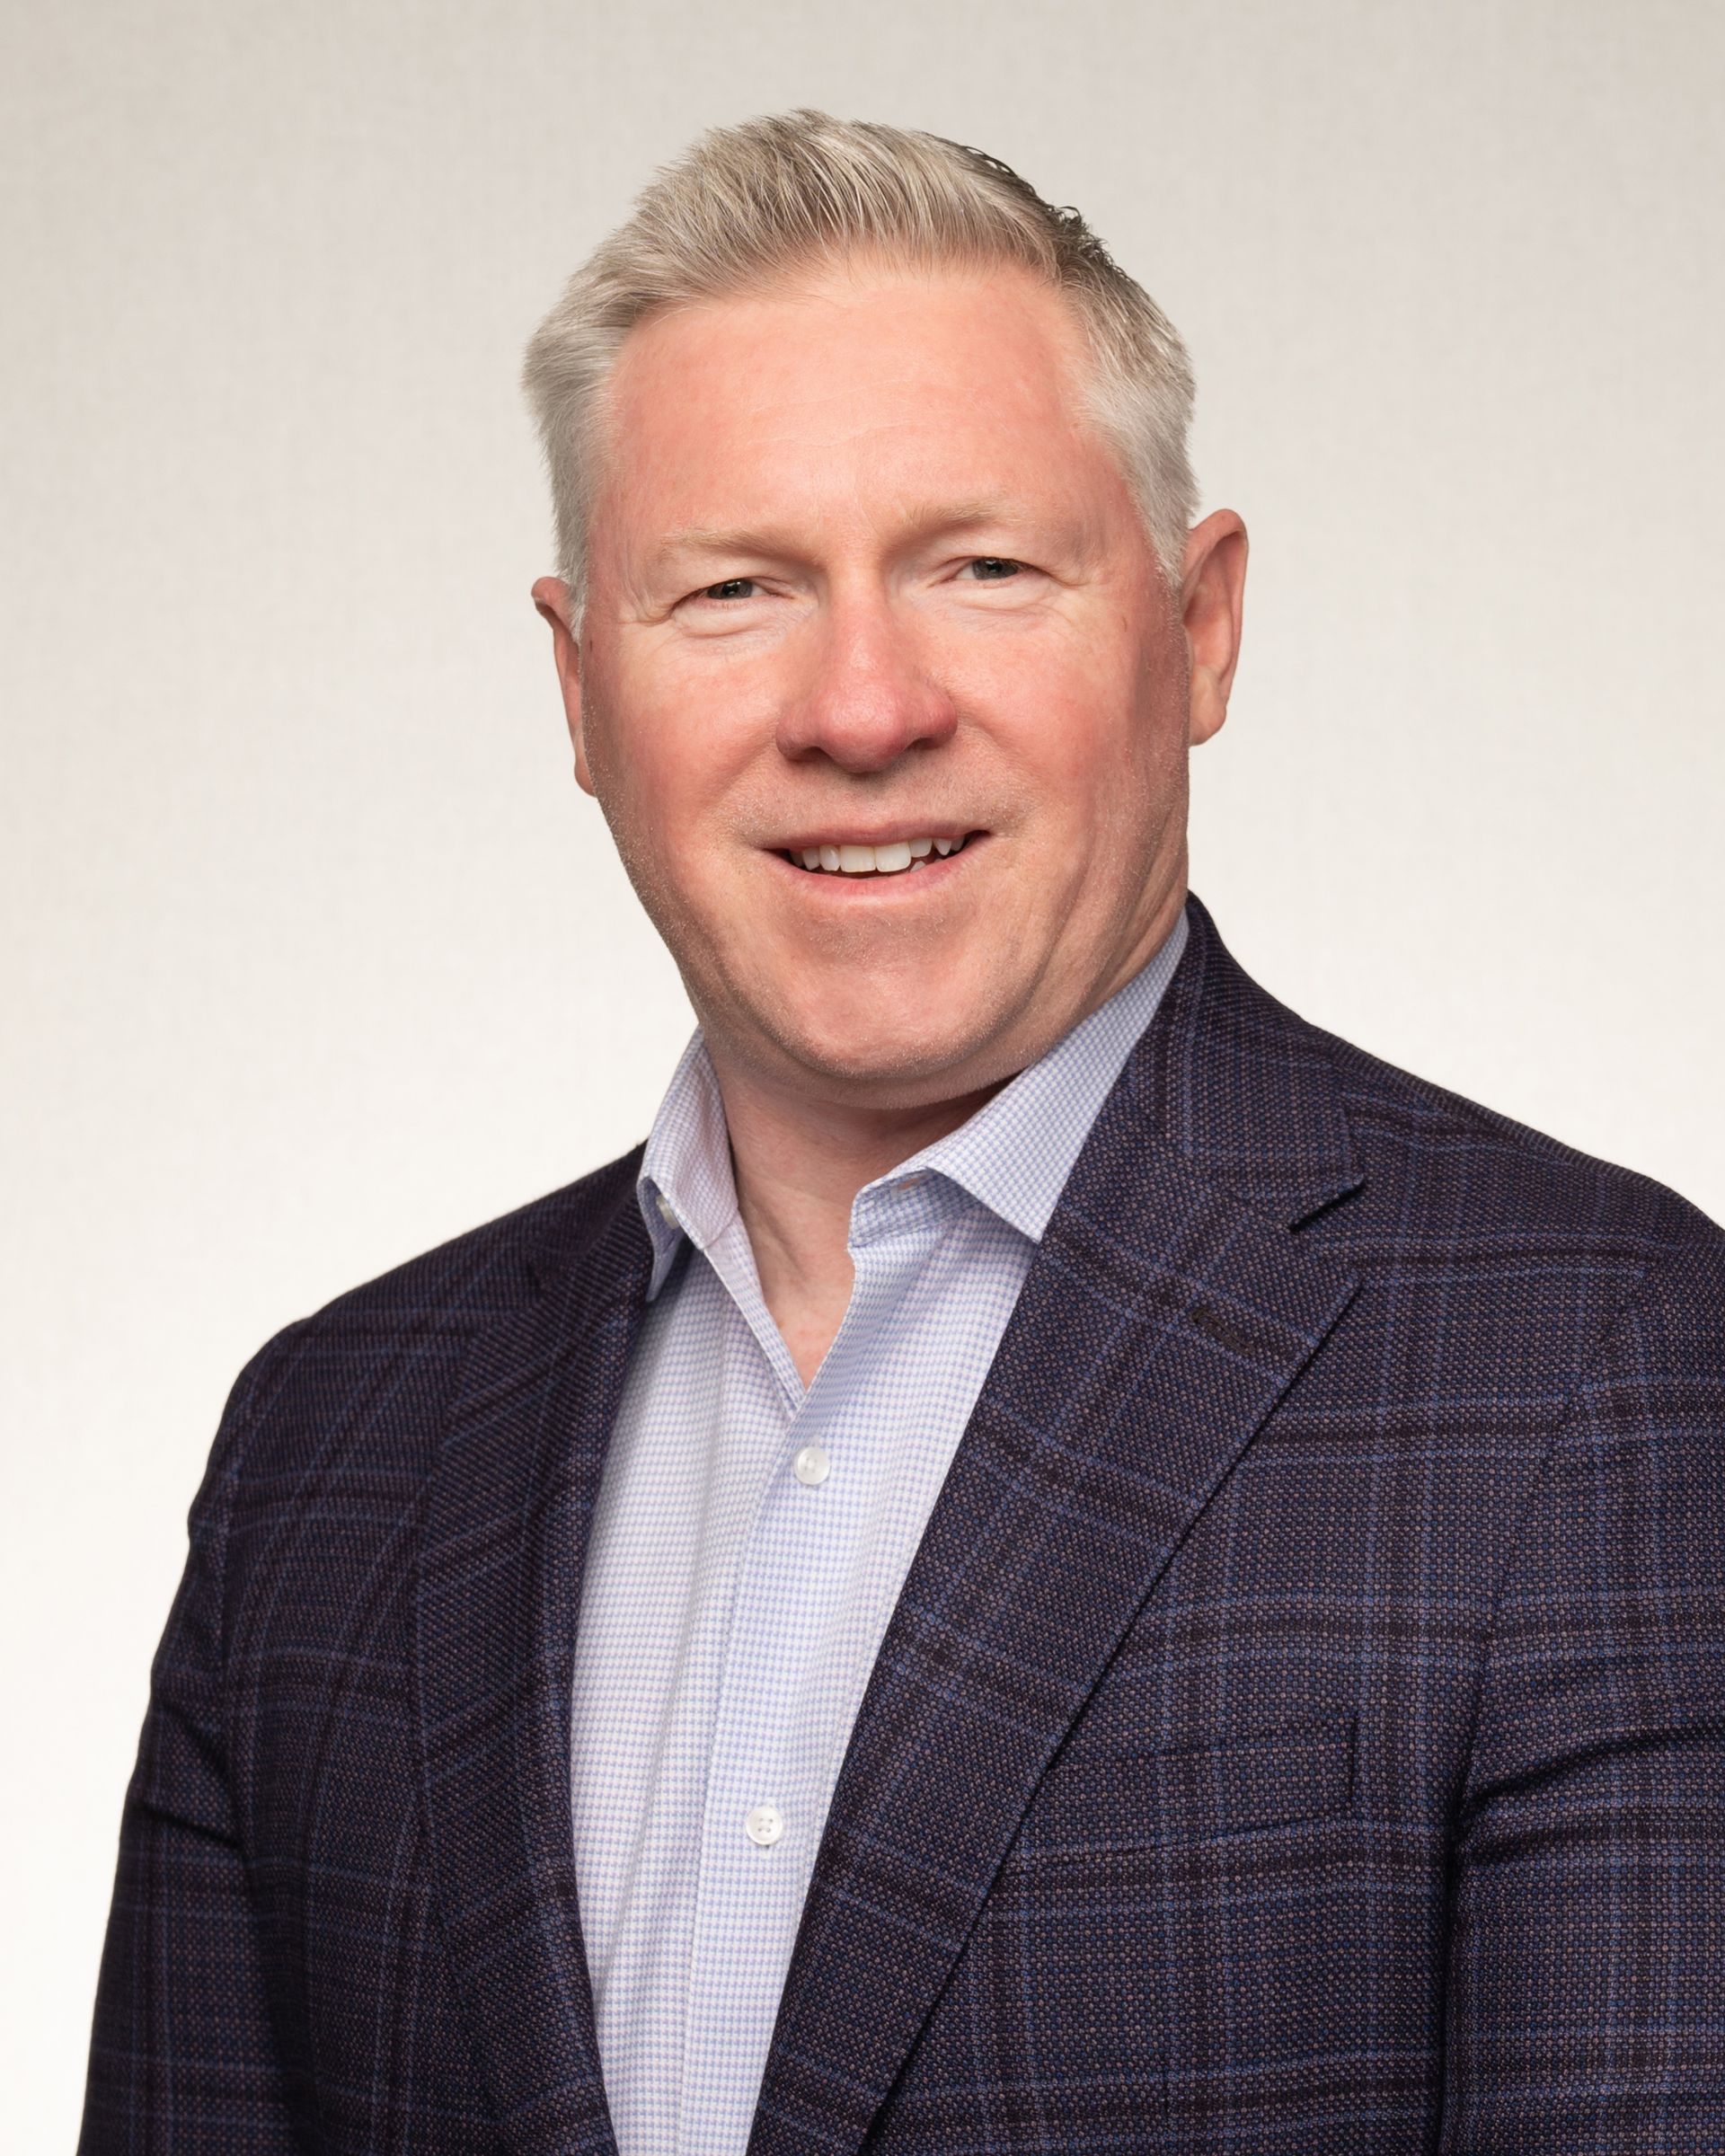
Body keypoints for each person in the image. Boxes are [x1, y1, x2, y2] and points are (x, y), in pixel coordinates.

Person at [80, 110, 1725, 2156]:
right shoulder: (326, 1450)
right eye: (737, 589)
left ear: (1198, 628)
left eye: (982, 568)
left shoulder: (1600, 1368)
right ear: (581, 686)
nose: (863, 707)